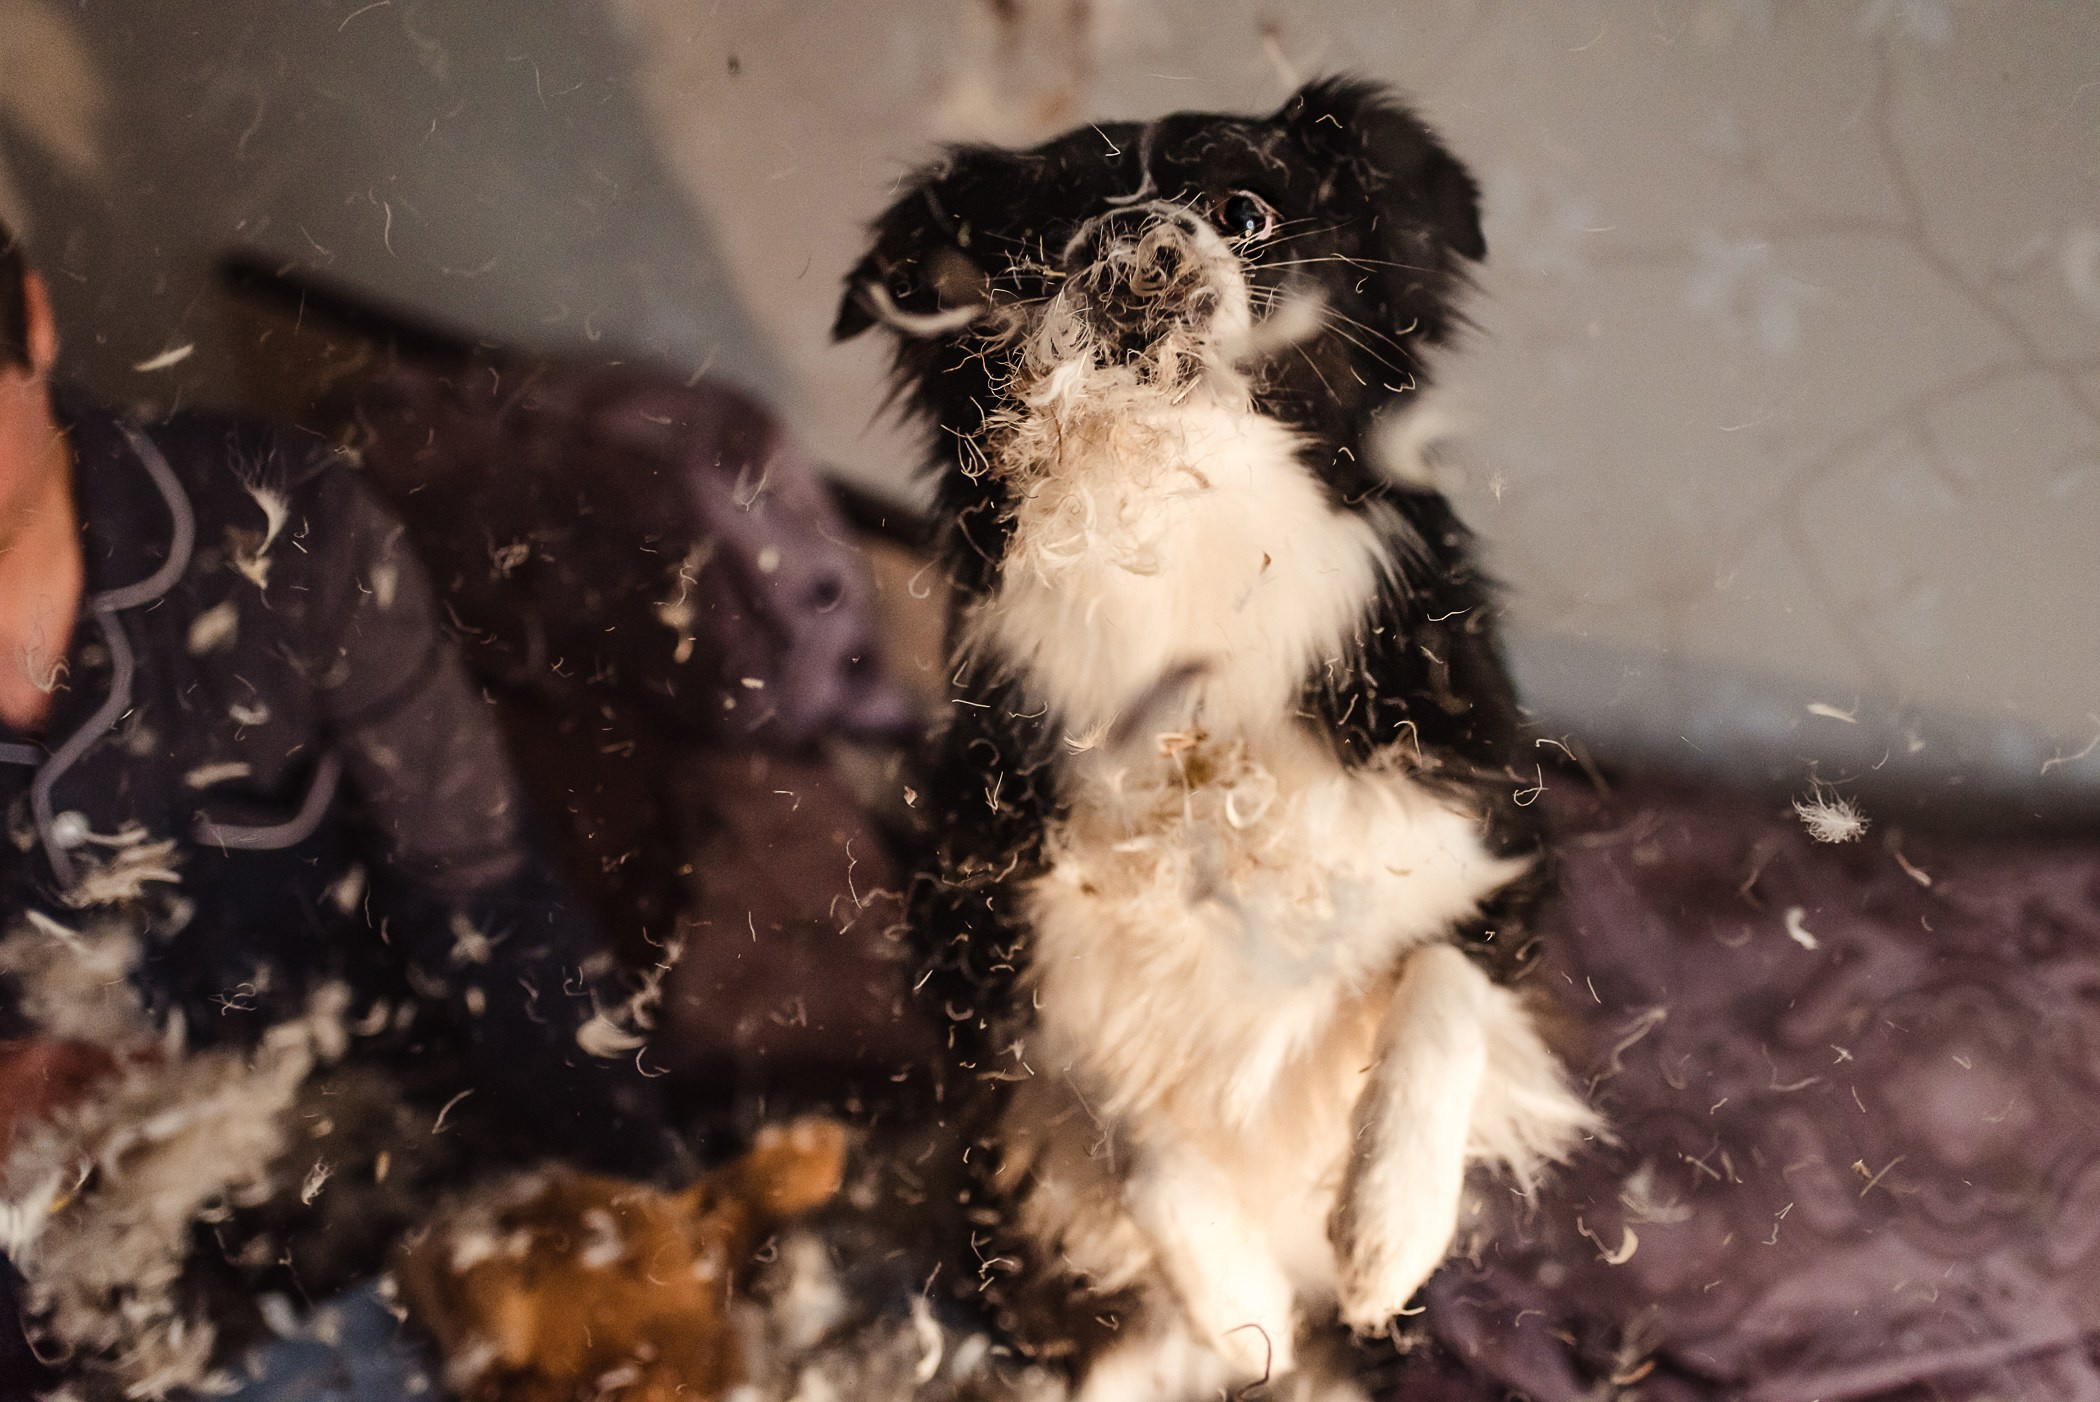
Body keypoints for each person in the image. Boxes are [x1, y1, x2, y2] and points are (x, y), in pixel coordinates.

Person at [0, 220, 678, 1389]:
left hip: (352, 1133)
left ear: (34, 318)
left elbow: (488, 896)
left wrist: (643, 1203)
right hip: (55, 1239)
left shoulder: (276, 524)